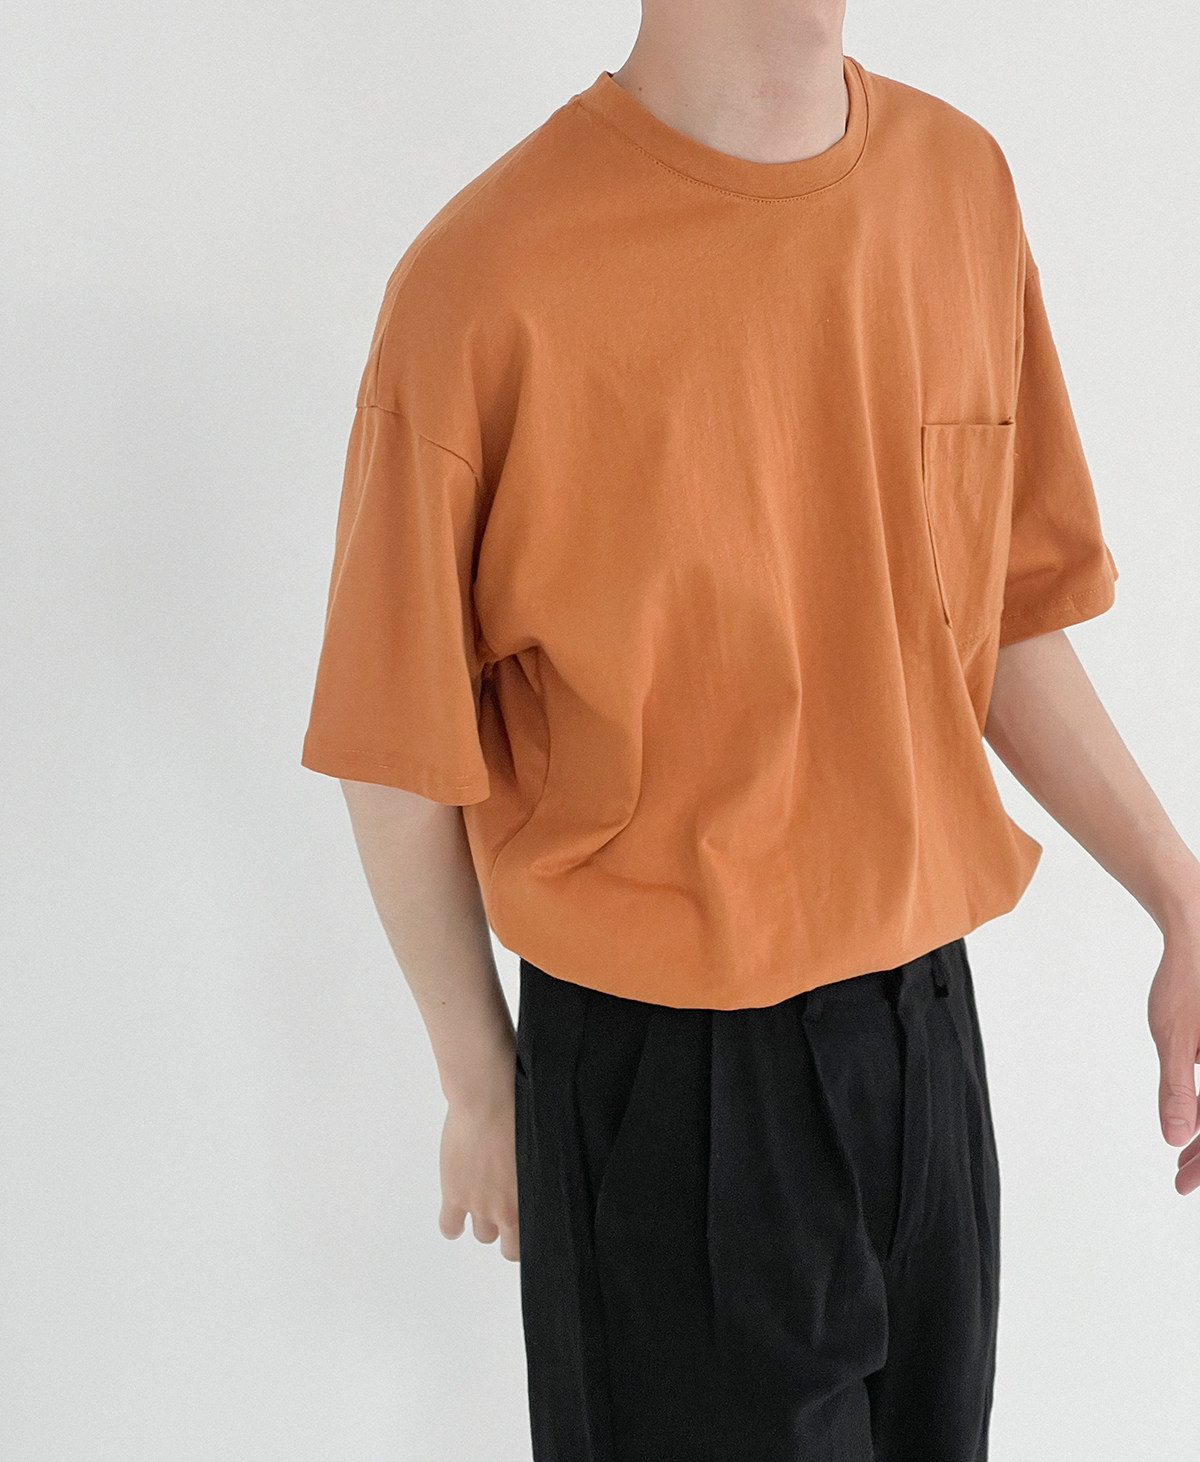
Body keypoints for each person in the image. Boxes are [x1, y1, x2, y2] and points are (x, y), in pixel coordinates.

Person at [299, 4, 1200, 1457]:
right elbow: (391, 740)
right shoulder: (486, 281)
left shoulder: (958, 186)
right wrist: (477, 1078)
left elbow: (992, 620)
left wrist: (1178, 891)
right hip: (670, 1092)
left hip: (927, 1045)